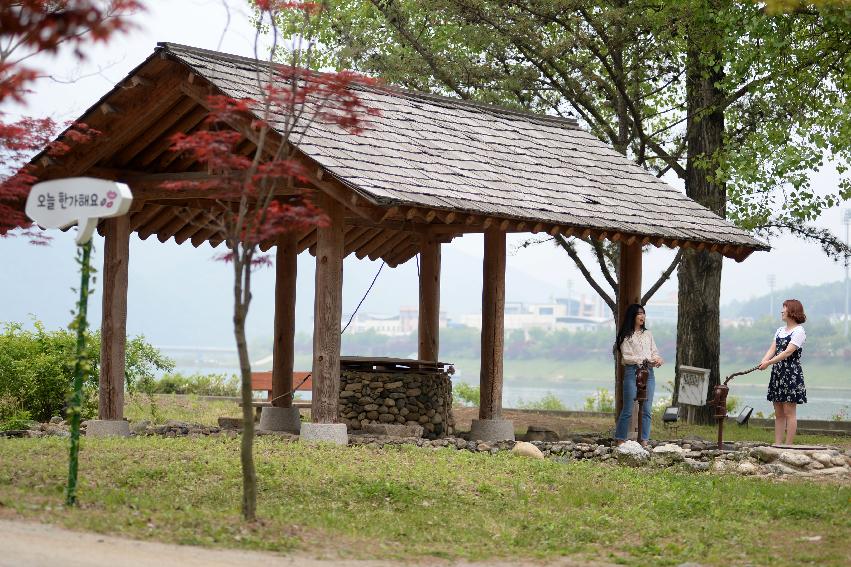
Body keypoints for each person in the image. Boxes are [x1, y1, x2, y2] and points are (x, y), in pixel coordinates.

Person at [758, 299, 807, 446]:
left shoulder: (799, 331)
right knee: (778, 412)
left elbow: (787, 353)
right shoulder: (779, 330)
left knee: (789, 412)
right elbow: (772, 349)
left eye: (784, 308)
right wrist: (763, 361)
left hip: (791, 374)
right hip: (778, 373)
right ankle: (777, 444)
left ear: (792, 311)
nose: (781, 311)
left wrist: (769, 363)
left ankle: (788, 445)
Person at [614, 304, 663, 447]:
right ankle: (620, 439)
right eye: (639, 314)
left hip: (649, 373)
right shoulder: (626, 336)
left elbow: (654, 352)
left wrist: (657, 359)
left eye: (643, 313)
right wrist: (642, 360)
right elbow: (627, 357)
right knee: (628, 408)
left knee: (647, 409)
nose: (642, 316)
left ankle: (644, 440)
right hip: (632, 372)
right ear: (632, 316)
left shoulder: (648, 334)